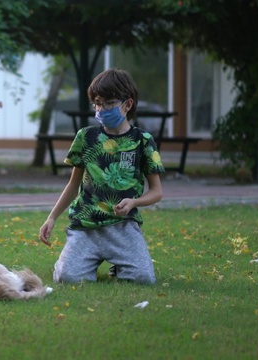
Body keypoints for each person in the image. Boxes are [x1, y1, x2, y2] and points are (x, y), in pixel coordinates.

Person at [39, 68, 164, 285]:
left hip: (123, 227)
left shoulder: (143, 141)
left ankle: (121, 264)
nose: (101, 109)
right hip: (86, 225)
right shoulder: (86, 137)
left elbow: (157, 192)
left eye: (108, 103)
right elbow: (73, 184)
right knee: (67, 278)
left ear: (127, 105)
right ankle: (73, 260)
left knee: (144, 279)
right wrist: (51, 217)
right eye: (97, 103)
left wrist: (134, 201)